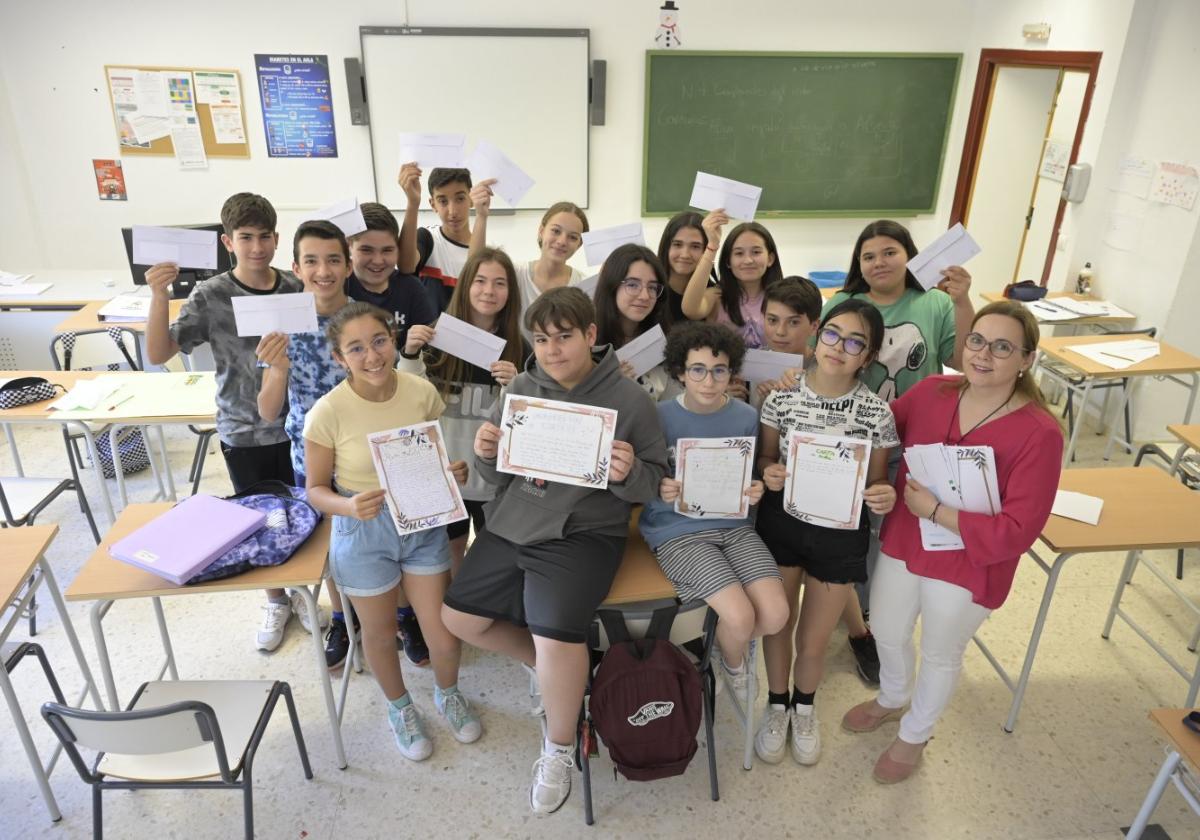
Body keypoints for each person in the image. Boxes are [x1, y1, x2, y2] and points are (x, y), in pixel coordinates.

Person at [441, 287, 667, 815]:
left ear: (591, 335)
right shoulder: (521, 386)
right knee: (458, 619)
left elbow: (654, 482)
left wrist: (629, 472)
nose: (552, 350)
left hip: (585, 533)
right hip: (514, 519)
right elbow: (498, 474)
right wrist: (488, 453)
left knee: (555, 635)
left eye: (564, 337)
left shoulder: (631, 400)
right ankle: (554, 673)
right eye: (541, 340)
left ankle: (560, 745)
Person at [841, 300, 1061, 784]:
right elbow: (874, 427)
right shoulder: (933, 392)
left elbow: (1020, 529)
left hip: (971, 560)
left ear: (1026, 359)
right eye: (977, 341)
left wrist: (938, 512)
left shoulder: (1041, 432)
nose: (984, 354)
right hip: (908, 539)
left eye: (1003, 347)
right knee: (889, 631)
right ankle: (893, 697)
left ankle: (915, 734)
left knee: (941, 650)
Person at [145, 191, 327, 652]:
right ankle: (275, 598)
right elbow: (159, 352)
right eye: (246, 238)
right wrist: (158, 295)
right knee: (257, 518)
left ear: (277, 238)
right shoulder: (211, 295)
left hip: (299, 426)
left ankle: (306, 593)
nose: (257, 247)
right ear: (229, 242)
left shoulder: (294, 288)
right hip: (243, 427)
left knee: (304, 514)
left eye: (265, 236)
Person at [304, 302, 483, 761]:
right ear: (340, 358)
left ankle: (448, 693)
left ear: (393, 338)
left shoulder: (421, 392)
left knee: (442, 634)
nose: (372, 356)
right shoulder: (327, 412)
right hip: (363, 530)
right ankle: (400, 707)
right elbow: (314, 490)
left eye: (379, 341)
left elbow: (428, 454)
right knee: (380, 634)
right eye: (356, 348)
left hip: (421, 521)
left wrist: (451, 471)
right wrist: (347, 504)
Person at [816, 220, 976, 685]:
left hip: (914, 442)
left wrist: (964, 300)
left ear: (910, 255)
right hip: (849, 440)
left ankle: (884, 620)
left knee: (894, 534)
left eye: (890, 252)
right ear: (858, 266)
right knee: (852, 534)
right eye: (868, 256)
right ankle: (860, 623)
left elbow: (964, 362)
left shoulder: (936, 302)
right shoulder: (846, 305)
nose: (879, 262)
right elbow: (819, 361)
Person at [754, 298, 899, 767]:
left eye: (855, 342)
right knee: (777, 626)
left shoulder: (877, 413)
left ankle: (804, 706)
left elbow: (877, 481)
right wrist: (770, 472)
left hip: (839, 537)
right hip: (783, 527)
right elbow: (765, 459)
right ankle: (776, 705)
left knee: (813, 641)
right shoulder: (780, 398)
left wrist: (882, 495)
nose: (840, 347)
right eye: (833, 334)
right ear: (818, 337)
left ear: (869, 356)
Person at [640, 322, 788, 696]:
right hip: (678, 531)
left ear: (731, 373)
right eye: (698, 370)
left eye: (719, 370)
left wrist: (755, 488)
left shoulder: (745, 417)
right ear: (680, 373)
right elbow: (642, 478)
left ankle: (722, 647)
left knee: (776, 615)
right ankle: (734, 664)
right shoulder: (658, 416)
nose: (709, 381)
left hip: (734, 526)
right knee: (739, 616)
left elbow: (751, 471)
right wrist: (659, 486)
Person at [256, 220, 355, 668]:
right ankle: (341, 618)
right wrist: (276, 369)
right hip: (310, 457)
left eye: (333, 259)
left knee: (375, 539)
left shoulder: (363, 319)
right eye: (311, 260)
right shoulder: (283, 323)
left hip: (362, 456)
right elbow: (267, 411)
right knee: (331, 547)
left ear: (348, 266)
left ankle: (397, 616)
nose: (323, 270)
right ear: (295, 267)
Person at [398, 246, 529, 572]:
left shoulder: (520, 346)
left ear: (510, 292)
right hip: (447, 472)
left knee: (491, 550)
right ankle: (449, 608)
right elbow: (411, 401)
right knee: (449, 548)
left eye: (500, 283)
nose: (489, 291)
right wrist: (410, 354)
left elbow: (526, 424)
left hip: (491, 479)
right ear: (466, 285)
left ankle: (478, 611)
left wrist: (517, 386)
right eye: (480, 281)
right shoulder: (437, 336)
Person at [468, 183, 589, 322]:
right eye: (556, 231)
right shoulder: (515, 274)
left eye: (572, 237)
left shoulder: (583, 286)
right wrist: (481, 216)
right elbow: (474, 268)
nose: (562, 241)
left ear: (579, 245)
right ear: (542, 231)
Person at [680, 211, 783, 349]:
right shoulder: (717, 296)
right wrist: (712, 246)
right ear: (728, 261)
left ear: (770, 258)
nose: (748, 260)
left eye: (756, 252)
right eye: (739, 253)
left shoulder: (782, 297)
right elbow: (690, 309)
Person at [346, 201, 437, 352]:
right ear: (349, 246)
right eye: (366, 250)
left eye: (387, 250)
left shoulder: (411, 289)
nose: (377, 261)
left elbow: (431, 350)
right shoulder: (338, 286)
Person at [593, 243, 679, 401]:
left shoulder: (665, 341)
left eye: (652, 287)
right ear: (611, 286)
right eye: (633, 285)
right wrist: (610, 389)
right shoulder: (587, 345)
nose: (645, 296)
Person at [397, 165, 474, 313]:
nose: (452, 211)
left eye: (460, 199)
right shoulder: (427, 238)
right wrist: (413, 203)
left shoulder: (483, 251)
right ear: (433, 204)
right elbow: (406, 266)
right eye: (443, 201)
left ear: (471, 199)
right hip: (430, 334)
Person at [655, 211, 714, 326]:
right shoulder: (650, 289)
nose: (685, 254)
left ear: (706, 250)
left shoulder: (712, 293)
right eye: (677, 244)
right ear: (666, 247)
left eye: (695, 246)